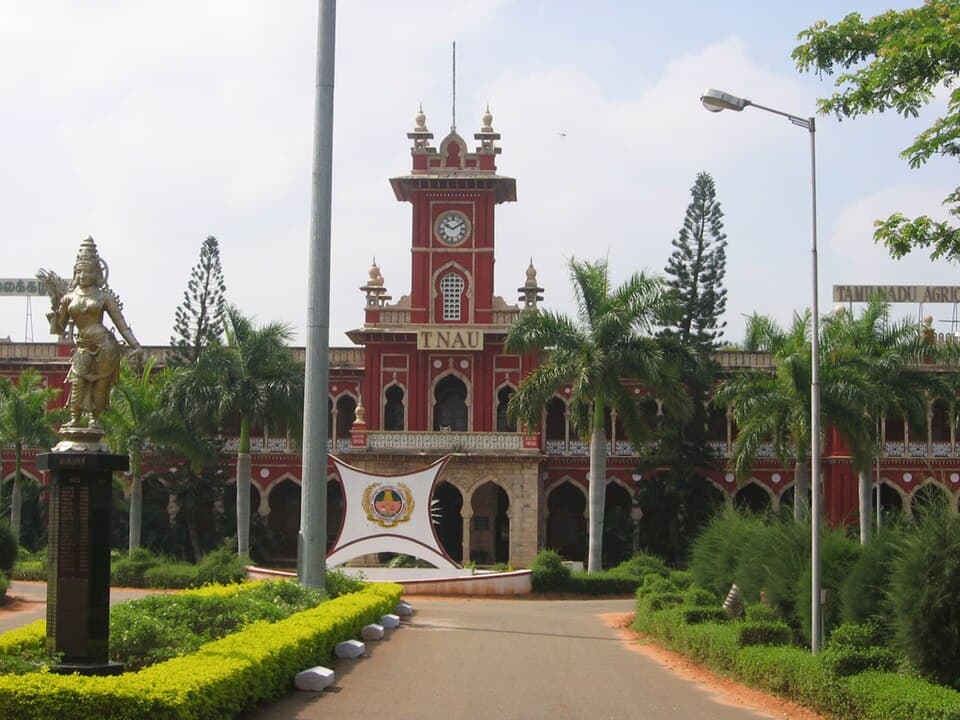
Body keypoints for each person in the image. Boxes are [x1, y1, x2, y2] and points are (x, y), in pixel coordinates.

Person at [46, 236, 142, 429]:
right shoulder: (68, 298)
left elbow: (121, 325)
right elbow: (59, 329)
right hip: (82, 346)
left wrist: (136, 345)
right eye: (79, 271)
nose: (83, 275)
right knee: (77, 383)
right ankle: (74, 418)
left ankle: (94, 419)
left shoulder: (103, 297)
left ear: (97, 273)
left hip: (105, 345)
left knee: (100, 386)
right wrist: (54, 314)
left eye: (88, 271)